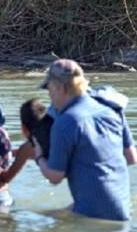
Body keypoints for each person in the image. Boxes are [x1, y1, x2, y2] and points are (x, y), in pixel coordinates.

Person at [34, 59, 137, 221]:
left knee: (30, 218)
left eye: (49, 89)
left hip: (92, 218)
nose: (49, 95)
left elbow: (54, 177)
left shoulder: (65, 122)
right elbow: (131, 157)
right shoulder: (111, 109)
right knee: (56, 212)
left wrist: (39, 155)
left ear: (60, 88)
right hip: (122, 210)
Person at [0, 99, 47, 184]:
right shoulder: (54, 134)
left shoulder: (27, 148)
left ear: (23, 128)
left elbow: (6, 178)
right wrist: (9, 153)